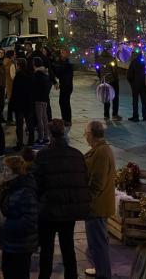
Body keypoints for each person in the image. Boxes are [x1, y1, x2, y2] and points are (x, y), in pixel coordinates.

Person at [33, 119, 92, 279]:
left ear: (50, 134)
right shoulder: (76, 154)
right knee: (68, 247)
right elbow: (83, 180)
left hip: (49, 211)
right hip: (68, 211)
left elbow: (36, 184)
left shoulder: (43, 155)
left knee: (47, 250)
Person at [0, 155, 39, 279]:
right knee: (7, 272)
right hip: (9, 241)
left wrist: (5, 222)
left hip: (21, 245)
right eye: (4, 169)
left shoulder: (25, 192)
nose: (4, 173)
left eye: (7, 170)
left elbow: (30, 221)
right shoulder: (7, 187)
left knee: (19, 274)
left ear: (17, 173)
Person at [84, 120, 117, 279]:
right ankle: (100, 269)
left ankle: (103, 274)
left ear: (91, 135)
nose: (85, 136)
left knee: (98, 244)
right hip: (96, 205)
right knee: (96, 243)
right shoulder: (99, 150)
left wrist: (87, 201)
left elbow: (97, 183)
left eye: (86, 133)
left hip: (97, 206)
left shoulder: (102, 153)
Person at [11, 58, 36, 149]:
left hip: (20, 103)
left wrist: (12, 103)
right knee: (30, 123)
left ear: (19, 65)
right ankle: (31, 141)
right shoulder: (31, 74)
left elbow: (15, 91)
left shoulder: (18, 76)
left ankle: (20, 143)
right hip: (28, 102)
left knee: (19, 124)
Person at [31, 58, 52, 146]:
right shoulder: (45, 72)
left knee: (39, 118)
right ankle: (46, 137)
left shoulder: (37, 74)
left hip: (39, 99)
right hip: (45, 98)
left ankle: (41, 138)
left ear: (34, 64)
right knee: (44, 117)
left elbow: (34, 87)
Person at [52, 48, 74, 127]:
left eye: (64, 52)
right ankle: (65, 119)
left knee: (65, 102)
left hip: (67, 86)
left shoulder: (68, 63)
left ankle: (67, 120)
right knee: (62, 102)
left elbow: (62, 73)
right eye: (61, 52)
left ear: (67, 54)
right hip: (64, 85)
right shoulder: (61, 62)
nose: (62, 53)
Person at [127, 52, 146, 122]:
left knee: (135, 101)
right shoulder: (144, 63)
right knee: (144, 101)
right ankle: (145, 116)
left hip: (135, 85)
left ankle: (135, 116)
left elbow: (129, 75)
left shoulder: (133, 62)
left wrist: (131, 82)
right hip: (143, 84)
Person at [101, 55, 121, 121]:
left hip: (105, 80)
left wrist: (102, 78)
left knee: (107, 98)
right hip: (113, 81)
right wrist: (116, 78)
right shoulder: (112, 58)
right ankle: (114, 115)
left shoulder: (101, 58)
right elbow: (114, 70)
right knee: (115, 98)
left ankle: (106, 115)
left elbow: (98, 70)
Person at [4, 51, 16, 123]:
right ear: (11, 56)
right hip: (11, 85)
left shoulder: (4, 62)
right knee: (11, 103)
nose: (15, 55)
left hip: (6, 84)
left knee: (10, 103)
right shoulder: (11, 64)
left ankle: (9, 119)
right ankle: (10, 119)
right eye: (14, 54)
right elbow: (13, 77)